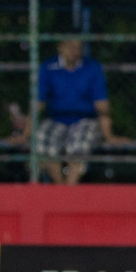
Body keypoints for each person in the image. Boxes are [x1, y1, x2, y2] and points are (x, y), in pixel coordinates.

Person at [35, 38, 124, 184]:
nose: (75, 51)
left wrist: (109, 135)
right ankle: (60, 190)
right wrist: (25, 134)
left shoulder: (92, 68)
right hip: (56, 119)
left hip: (85, 120)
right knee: (43, 142)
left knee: (78, 147)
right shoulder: (48, 67)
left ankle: (70, 189)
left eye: (79, 47)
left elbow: (102, 105)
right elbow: (38, 103)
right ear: (60, 47)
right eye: (70, 46)